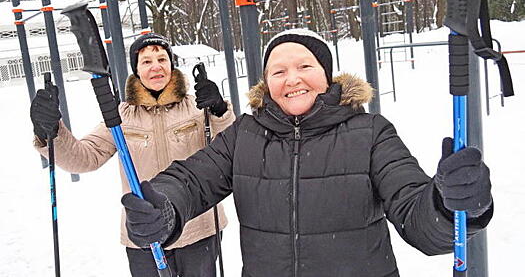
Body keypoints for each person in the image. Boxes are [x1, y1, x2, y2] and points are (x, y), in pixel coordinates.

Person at [121, 29, 493, 277]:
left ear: (326, 74)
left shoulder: (369, 133)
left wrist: (450, 204)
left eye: (304, 66)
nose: (292, 79)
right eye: (278, 71)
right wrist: (163, 207)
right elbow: (192, 179)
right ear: (267, 84)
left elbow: (417, 217)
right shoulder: (245, 135)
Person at [30, 33, 236, 277]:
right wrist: (52, 131)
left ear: (172, 64)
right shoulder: (121, 117)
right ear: (136, 70)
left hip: (197, 228)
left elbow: (229, 148)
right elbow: (85, 157)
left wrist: (220, 110)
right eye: (146, 61)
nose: (156, 66)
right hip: (144, 231)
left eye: (162, 59)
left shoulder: (197, 107)